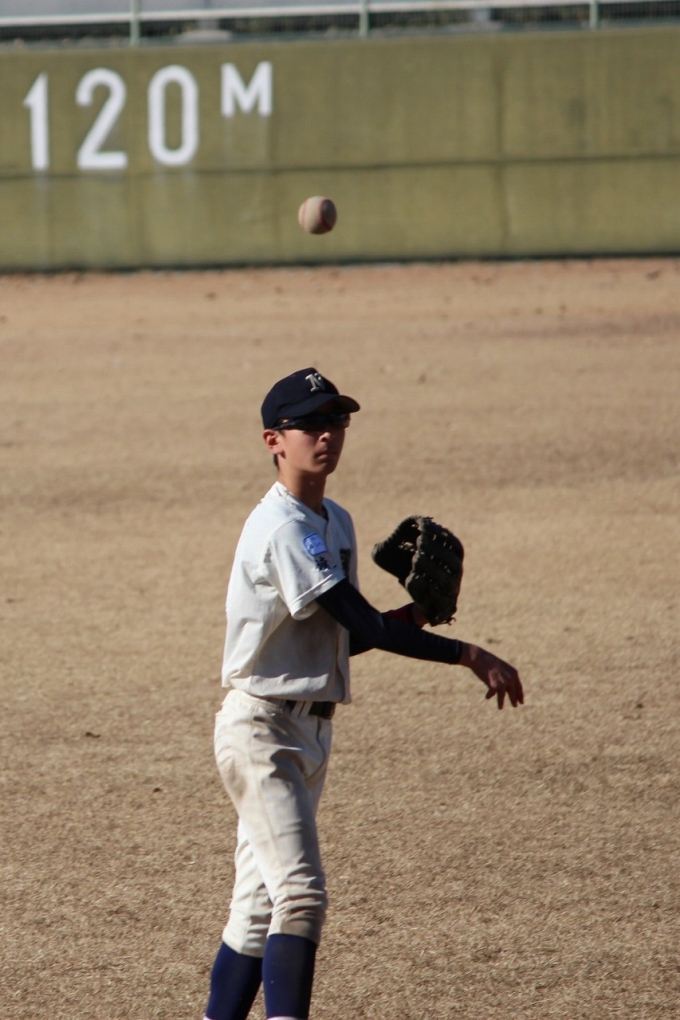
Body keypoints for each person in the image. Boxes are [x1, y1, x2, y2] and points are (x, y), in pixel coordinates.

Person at [204, 367, 523, 1020]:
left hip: (307, 732)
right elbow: (366, 624)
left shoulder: (335, 521)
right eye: (310, 424)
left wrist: (415, 616)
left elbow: (343, 641)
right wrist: (468, 653)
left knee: (258, 908)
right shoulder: (283, 528)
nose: (327, 434)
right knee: (301, 897)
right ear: (274, 440)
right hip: (261, 733)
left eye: (337, 420)